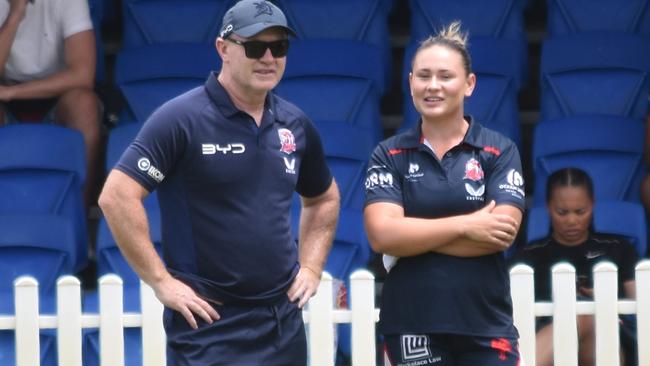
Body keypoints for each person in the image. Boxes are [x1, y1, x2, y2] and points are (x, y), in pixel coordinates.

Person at [98, 0, 340, 364]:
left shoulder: (295, 124)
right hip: (208, 325)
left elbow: (323, 199)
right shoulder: (181, 118)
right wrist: (162, 282)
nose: (268, 58)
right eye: (256, 47)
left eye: (280, 47)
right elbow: (116, 196)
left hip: (281, 322)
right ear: (223, 49)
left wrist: (311, 267)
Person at [364, 22, 526, 366]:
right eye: (423, 76)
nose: (433, 86)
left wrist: (413, 235)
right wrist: (467, 226)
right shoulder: (388, 153)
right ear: (410, 84)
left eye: (445, 76)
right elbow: (382, 235)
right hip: (411, 326)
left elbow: (500, 233)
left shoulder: (499, 150)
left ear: (469, 84)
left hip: (486, 324)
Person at [511, 167, 638, 366]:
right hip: (546, 344)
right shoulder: (528, 256)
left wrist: (605, 300)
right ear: (548, 207)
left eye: (580, 211)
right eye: (562, 212)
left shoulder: (619, 249)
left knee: (585, 314)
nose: (572, 221)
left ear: (593, 205)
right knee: (577, 315)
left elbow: (639, 304)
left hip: (611, 343)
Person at [0, 0, 102, 209]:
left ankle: (79, 219)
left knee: (86, 106)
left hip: (58, 95)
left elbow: (83, 75)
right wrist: (15, 15)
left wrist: (12, 93)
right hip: (5, 92)